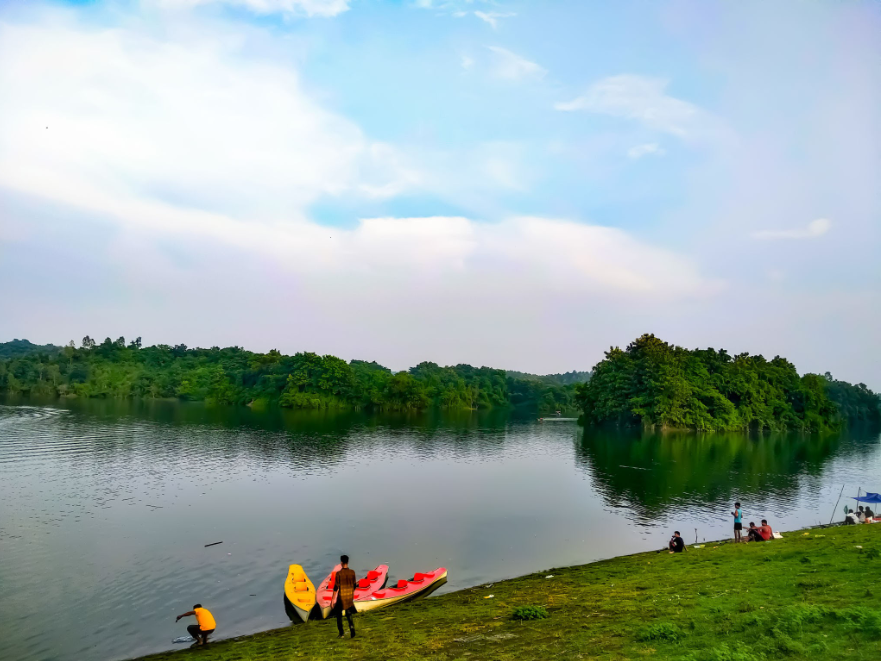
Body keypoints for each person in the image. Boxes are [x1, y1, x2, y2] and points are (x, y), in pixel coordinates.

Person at [332, 555, 357, 639]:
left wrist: (332, 600)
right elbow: (354, 585)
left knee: (338, 614)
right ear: (348, 562)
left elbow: (336, 587)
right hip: (349, 596)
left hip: (341, 597)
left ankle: (341, 633)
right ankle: (352, 630)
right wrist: (351, 592)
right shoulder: (352, 572)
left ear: (341, 563)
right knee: (348, 613)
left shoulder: (339, 574)